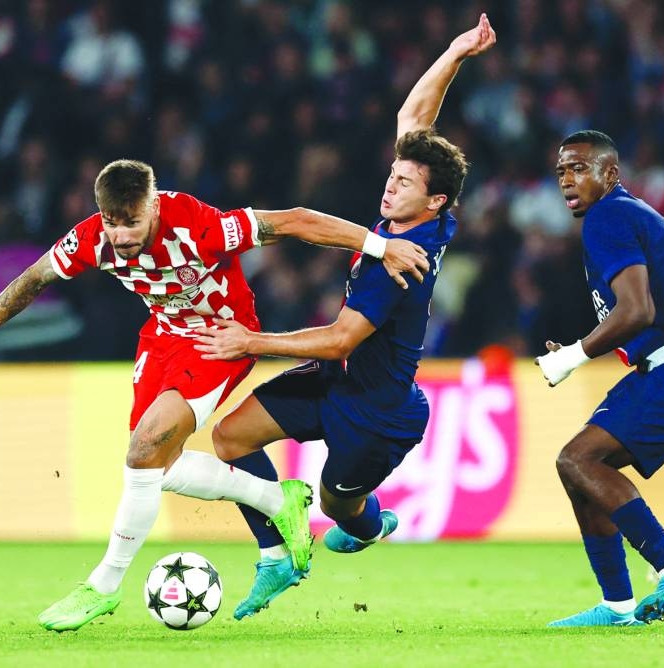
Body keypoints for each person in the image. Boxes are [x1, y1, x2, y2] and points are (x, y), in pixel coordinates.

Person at [0, 159, 431, 631]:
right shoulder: (92, 239)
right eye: (112, 222)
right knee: (151, 470)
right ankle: (274, 500)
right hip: (164, 336)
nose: (122, 236)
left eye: (131, 222)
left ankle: (103, 585)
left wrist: (378, 246)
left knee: (143, 449)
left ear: (152, 207)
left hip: (221, 336)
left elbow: (295, 221)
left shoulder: (198, 226)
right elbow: (35, 277)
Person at [191, 14, 496, 620]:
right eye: (392, 175)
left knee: (340, 506)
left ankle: (370, 524)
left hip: (379, 410)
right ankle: (278, 556)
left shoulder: (403, 266)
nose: (390, 187)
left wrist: (250, 340)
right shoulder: (412, 219)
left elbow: (337, 340)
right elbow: (413, 118)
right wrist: (456, 53)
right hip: (339, 383)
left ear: (433, 202)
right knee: (229, 437)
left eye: (404, 183)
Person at [536, 130, 664, 627]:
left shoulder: (608, 217)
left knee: (578, 458)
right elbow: (662, 311)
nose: (567, 177)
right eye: (562, 169)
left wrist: (572, 357)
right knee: (581, 467)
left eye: (580, 167)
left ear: (611, 174)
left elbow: (637, 310)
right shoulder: (628, 214)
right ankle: (619, 606)